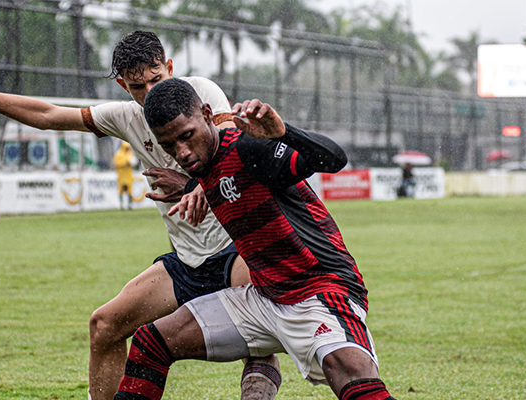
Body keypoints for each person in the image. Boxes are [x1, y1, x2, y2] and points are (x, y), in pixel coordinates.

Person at [0, 31, 280, 400]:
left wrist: (194, 187)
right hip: (188, 261)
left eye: (157, 79)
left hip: (237, 248)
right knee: (104, 325)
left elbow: (234, 153)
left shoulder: (201, 92)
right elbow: (47, 115)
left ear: (170, 68)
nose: (150, 92)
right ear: (124, 85)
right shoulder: (126, 116)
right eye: (138, 85)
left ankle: (268, 364)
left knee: (260, 336)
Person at [112, 78, 398, 400]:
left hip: (320, 289)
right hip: (264, 299)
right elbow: (215, 175)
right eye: (169, 146)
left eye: (186, 136)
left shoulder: (250, 147)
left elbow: (333, 159)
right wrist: (194, 187)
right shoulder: (202, 165)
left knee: (348, 369)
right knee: (152, 342)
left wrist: (283, 133)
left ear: (207, 114)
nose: (183, 152)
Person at [113, 142, 138, 210]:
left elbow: (134, 162)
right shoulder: (119, 154)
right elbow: (117, 163)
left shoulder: (130, 154)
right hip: (121, 175)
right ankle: (121, 204)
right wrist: (126, 162)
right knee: (121, 190)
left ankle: (130, 204)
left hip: (129, 175)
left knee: (129, 190)